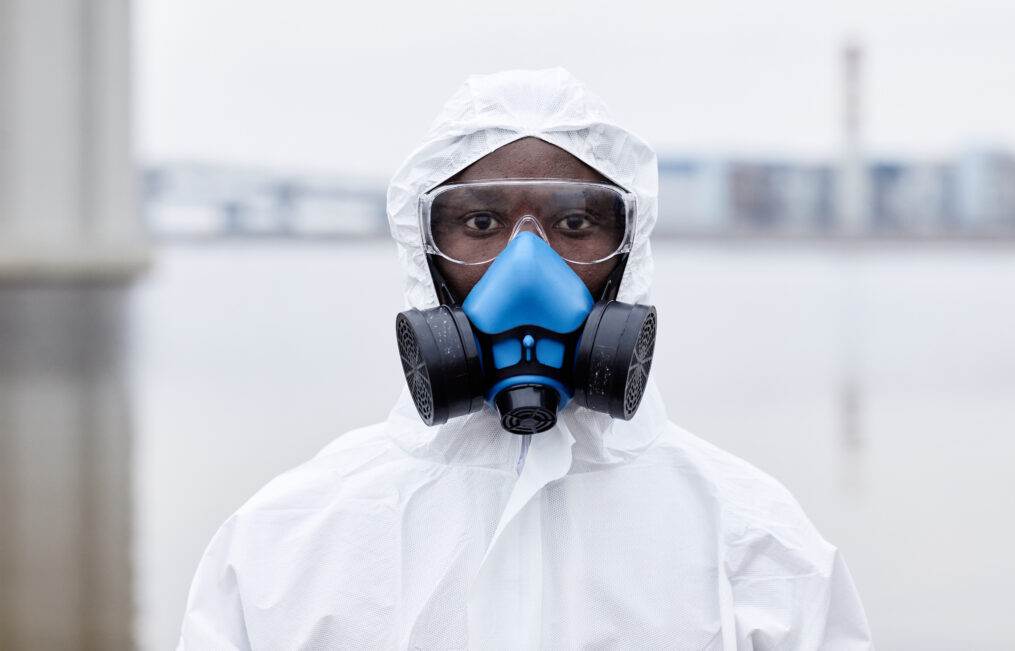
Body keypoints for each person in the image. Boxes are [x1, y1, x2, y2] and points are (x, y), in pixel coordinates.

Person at [178, 68, 873, 649]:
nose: (527, 268)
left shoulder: (757, 545)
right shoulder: (284, 544)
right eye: (480, 223)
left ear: (630, 251)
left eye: (575, 224)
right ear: (424, 252)